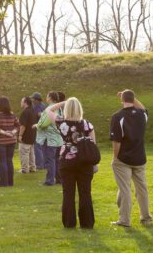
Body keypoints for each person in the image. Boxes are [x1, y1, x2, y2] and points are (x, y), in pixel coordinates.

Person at [110, 89, 152, 227]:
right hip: (140, 157)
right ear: (133, 99)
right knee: (142, 189)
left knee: (125, 189)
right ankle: (146, 218)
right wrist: (130, 96)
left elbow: (116, 141)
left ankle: (124, 220)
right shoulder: (142, 115)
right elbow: (143, 108)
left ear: (122, 100)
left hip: (123, 159)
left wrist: (115, 157)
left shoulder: (117, 116)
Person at [54, 97, 96, 229]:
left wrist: (64, 102)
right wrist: (95, 164)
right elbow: (93, 144)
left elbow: (49, 109)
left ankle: (69, 222)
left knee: (68, 193)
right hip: (85, 161)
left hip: (67, 161)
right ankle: (87, 222)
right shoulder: (87, 124)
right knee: (85, 193)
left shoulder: (61, 123)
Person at [34, 91, 64, 186]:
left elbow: (44, 123)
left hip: (50, 139)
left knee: (49, 160)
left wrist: (37, 125)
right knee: (56, 160)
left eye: (47, 96)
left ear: (50, 97)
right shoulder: (59, 108)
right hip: (58, 139)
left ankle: (49, 180)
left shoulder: (50, 108)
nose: (46, 98)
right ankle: (59, 179)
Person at [0, 96, 20, 187]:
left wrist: (5, 133)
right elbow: (18, 125)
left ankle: (3, 183)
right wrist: (12, 133)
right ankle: (10, 182)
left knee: (2, 162)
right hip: (11, 141)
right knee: (9, 161)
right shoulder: (12, 114)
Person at [18, 96, 37, 174]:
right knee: (31, 152)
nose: (21, 103)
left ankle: (25, 169)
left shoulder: (25, 112)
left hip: (26, 136)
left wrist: (20, 135)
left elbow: (23, 126)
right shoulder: (32, 111)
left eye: (22, 101)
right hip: (32, 136)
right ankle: (32, 167)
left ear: (25, 103)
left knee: (24, 152)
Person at [31, 92, 46, 170]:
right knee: (42, 147)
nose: (32, 100)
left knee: (37, 147)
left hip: (38, 128)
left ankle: (39, 165)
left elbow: (40, 114)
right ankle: (44, 164)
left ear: (36, 99)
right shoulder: (43, 105)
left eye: (33, 98)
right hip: (43, 128)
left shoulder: (37, 106)